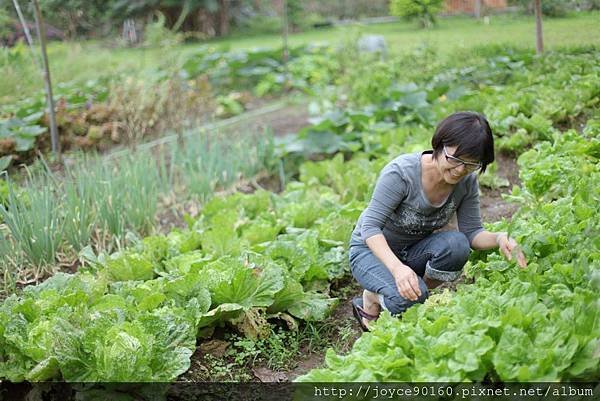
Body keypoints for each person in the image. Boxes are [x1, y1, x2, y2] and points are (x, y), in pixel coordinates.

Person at [349, 111, 527, 331]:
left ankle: (414, 290)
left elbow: (472, 233)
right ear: (439, 146)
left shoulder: (466, 182)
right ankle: (373, 298)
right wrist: (397, 270)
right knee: (412, 300)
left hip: (412, 251)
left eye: (471, 164)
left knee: (457, 245)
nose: (460, 170)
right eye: (454, 159)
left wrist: (500, 238)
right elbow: (370, 227)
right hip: (369, 250)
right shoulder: (401, 174)